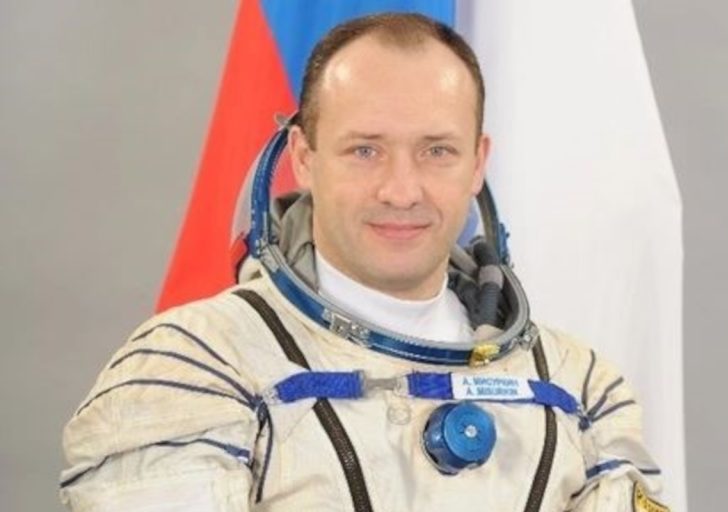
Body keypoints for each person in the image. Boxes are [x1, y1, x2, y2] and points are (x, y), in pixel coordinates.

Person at [59, 13, 668, 512]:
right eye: (365, 150)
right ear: (304, 157)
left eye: (437, 151)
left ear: (478, 163)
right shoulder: (193, 368)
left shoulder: (579, 389)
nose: (401, 190)